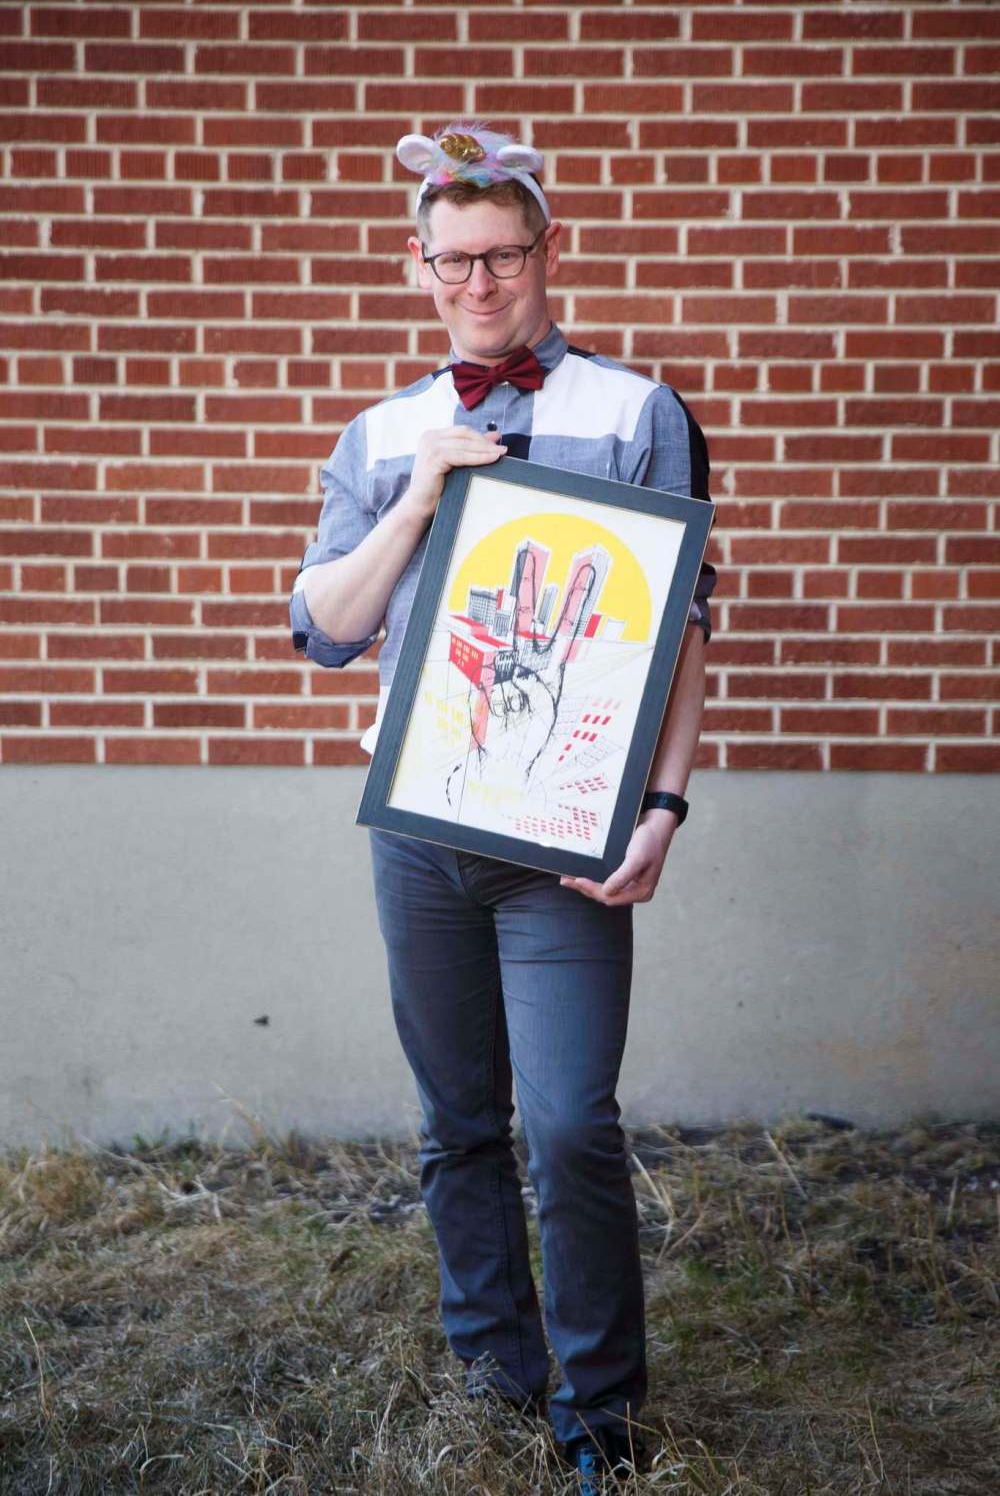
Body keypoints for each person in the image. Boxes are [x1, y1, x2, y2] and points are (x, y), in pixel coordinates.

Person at [290, 123, 717, 1490]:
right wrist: (420, 496)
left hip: (565, 840)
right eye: (453, 258)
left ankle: (601, 1419)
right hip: (421, 833)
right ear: (421, 269)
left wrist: (665, 808)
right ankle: (494, 1370)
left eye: (504, 252)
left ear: (546, 252)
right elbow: (326, 630)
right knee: (457, 1120)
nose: (480, 279)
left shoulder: (636, 411)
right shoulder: (379, 433)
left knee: (573, 1122)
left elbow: (684, 633)